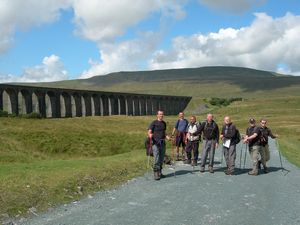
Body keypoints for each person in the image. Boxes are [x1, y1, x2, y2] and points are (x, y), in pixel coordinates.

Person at [148, 110, 170, 180]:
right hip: (155, 143)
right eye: (160, 114)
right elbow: (149, 131)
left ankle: (160, 172)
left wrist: (167, 137)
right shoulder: (154, 123)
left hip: (163, 143)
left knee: (161, 158)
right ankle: (156, 173)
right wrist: (150, 135)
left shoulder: (164, 123)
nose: (161, 115)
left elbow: (164, 133)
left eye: (162, 114)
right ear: (157, 115)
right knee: (156, 158)